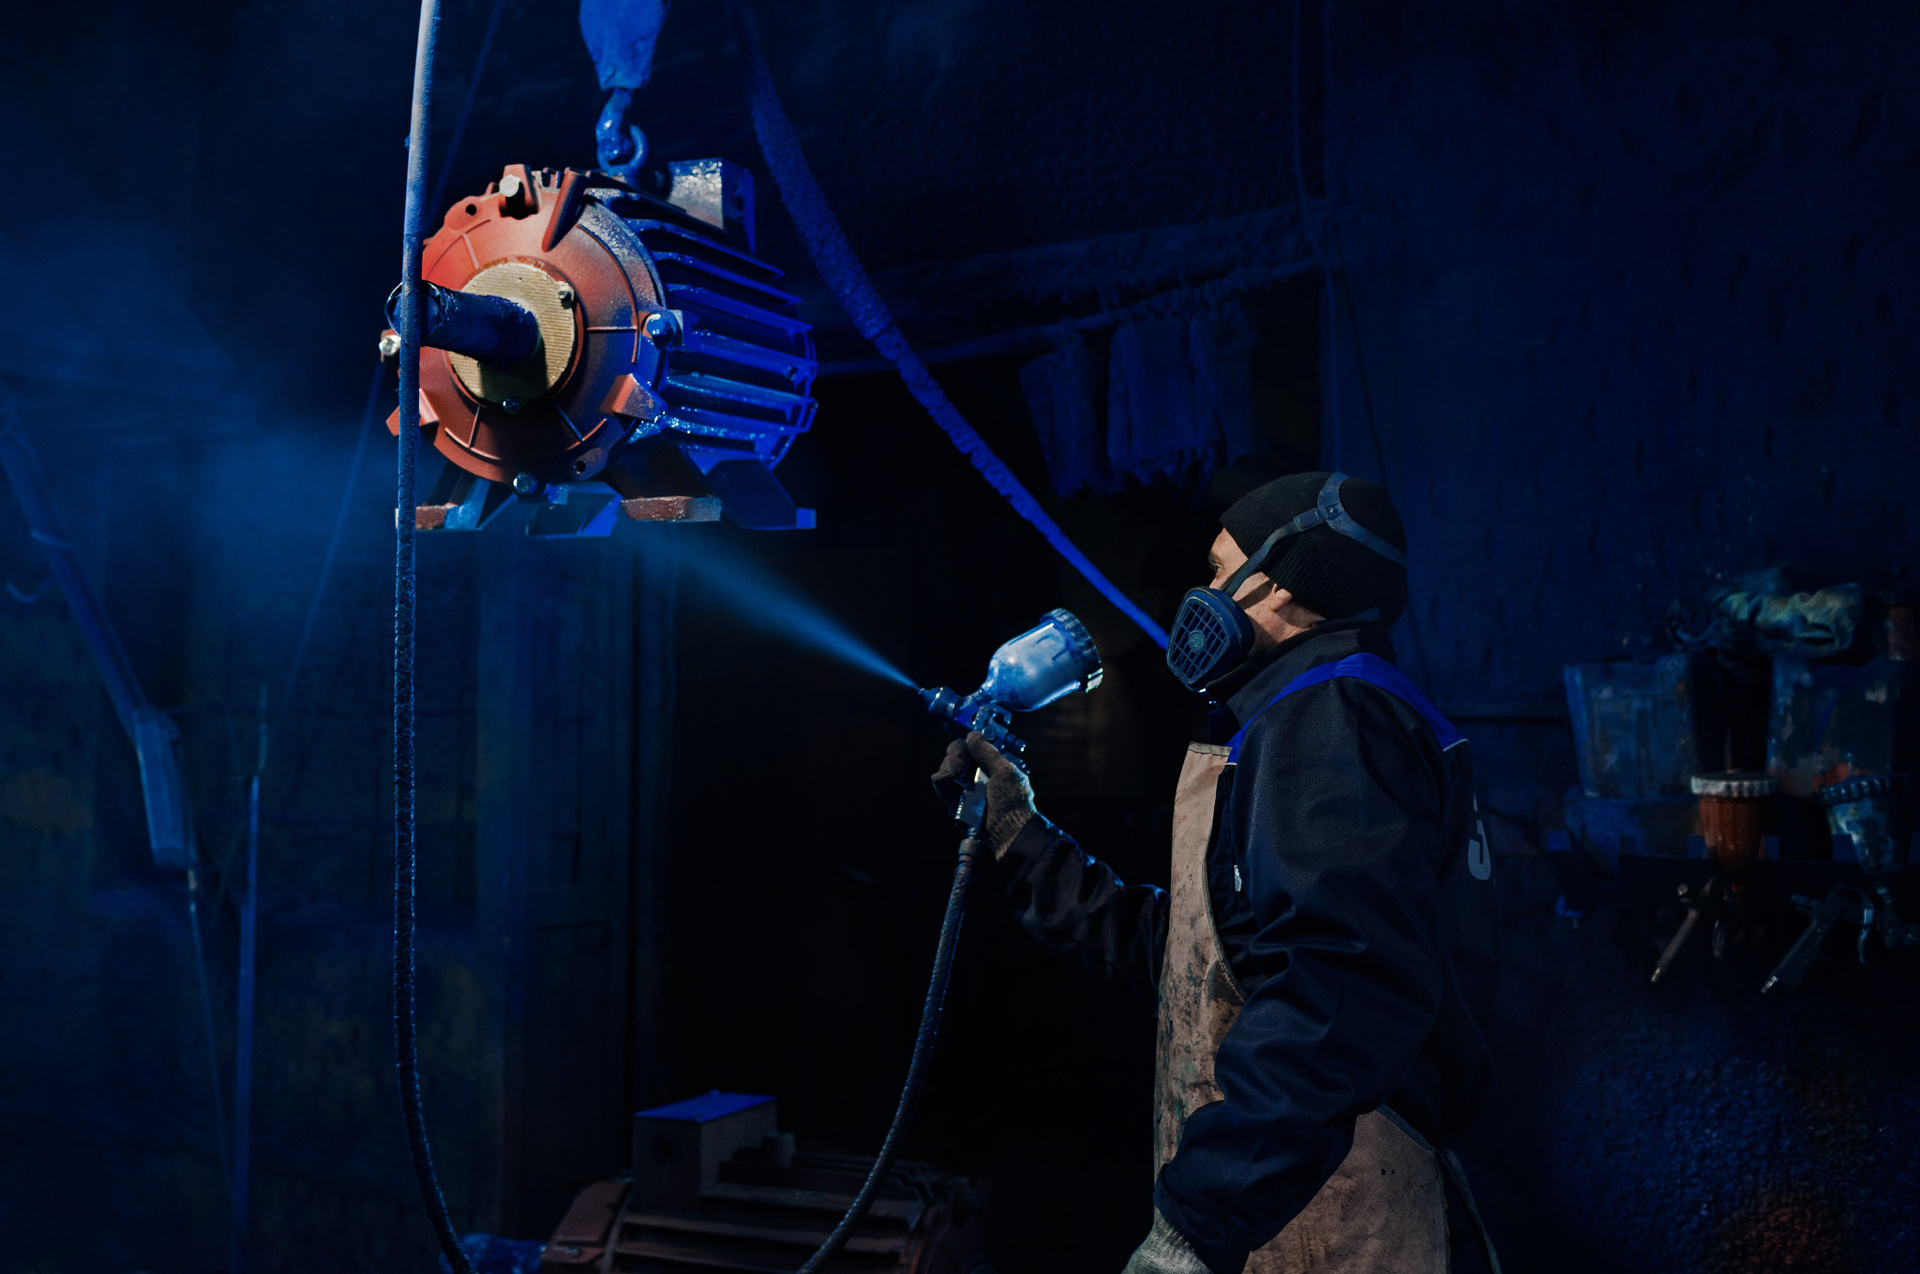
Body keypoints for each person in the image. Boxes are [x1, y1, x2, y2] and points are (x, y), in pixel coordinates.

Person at [933, 472, 1501, 1274]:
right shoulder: (1302, 715)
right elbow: (1200, 965)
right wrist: (1018, 837)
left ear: (1275, 583)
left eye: (1217, 567)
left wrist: (1195, 1226)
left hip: (1330, 1209)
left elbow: (1338, 992)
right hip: (1294, 1202)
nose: (1203, 592)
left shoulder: (1334, 716)